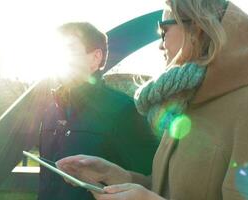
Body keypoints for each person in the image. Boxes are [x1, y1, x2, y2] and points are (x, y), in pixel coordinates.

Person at [56, 0, 248, 199]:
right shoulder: (185, 107)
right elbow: (167, 189)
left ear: (196, 28)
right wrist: (114, 175)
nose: (160, 45)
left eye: (163, 30)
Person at [38, 22, 159, 200]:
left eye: (70, 50)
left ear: (95, 58)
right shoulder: (51, 110)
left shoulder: (123, 110)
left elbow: (153, 181)